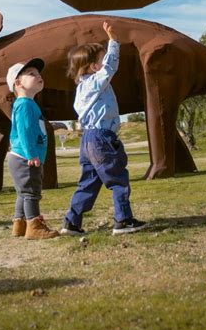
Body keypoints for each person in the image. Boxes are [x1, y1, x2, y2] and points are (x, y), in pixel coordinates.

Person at [60, 22, 146, 236]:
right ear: (93, 67)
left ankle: (71, 222)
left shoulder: (80, 89)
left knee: (88, 182)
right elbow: (110, 67)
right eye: (101, 58)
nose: (104, 60)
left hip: (87, 140)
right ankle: (123, 220)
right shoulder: (96, 82)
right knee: (117, 178)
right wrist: (114, 41)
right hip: (101, 137)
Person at [6, 59, 59, 240]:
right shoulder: (25, 104)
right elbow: (24, 131)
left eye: (39, 73)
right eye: (31, 74)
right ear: (18, 83)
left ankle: (19, 225)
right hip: (25, 157)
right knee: (31, 192)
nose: (38, 76)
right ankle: (34, 227)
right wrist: (31, 154)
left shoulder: (27, 103)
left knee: (24, 192)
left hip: (21, 156)